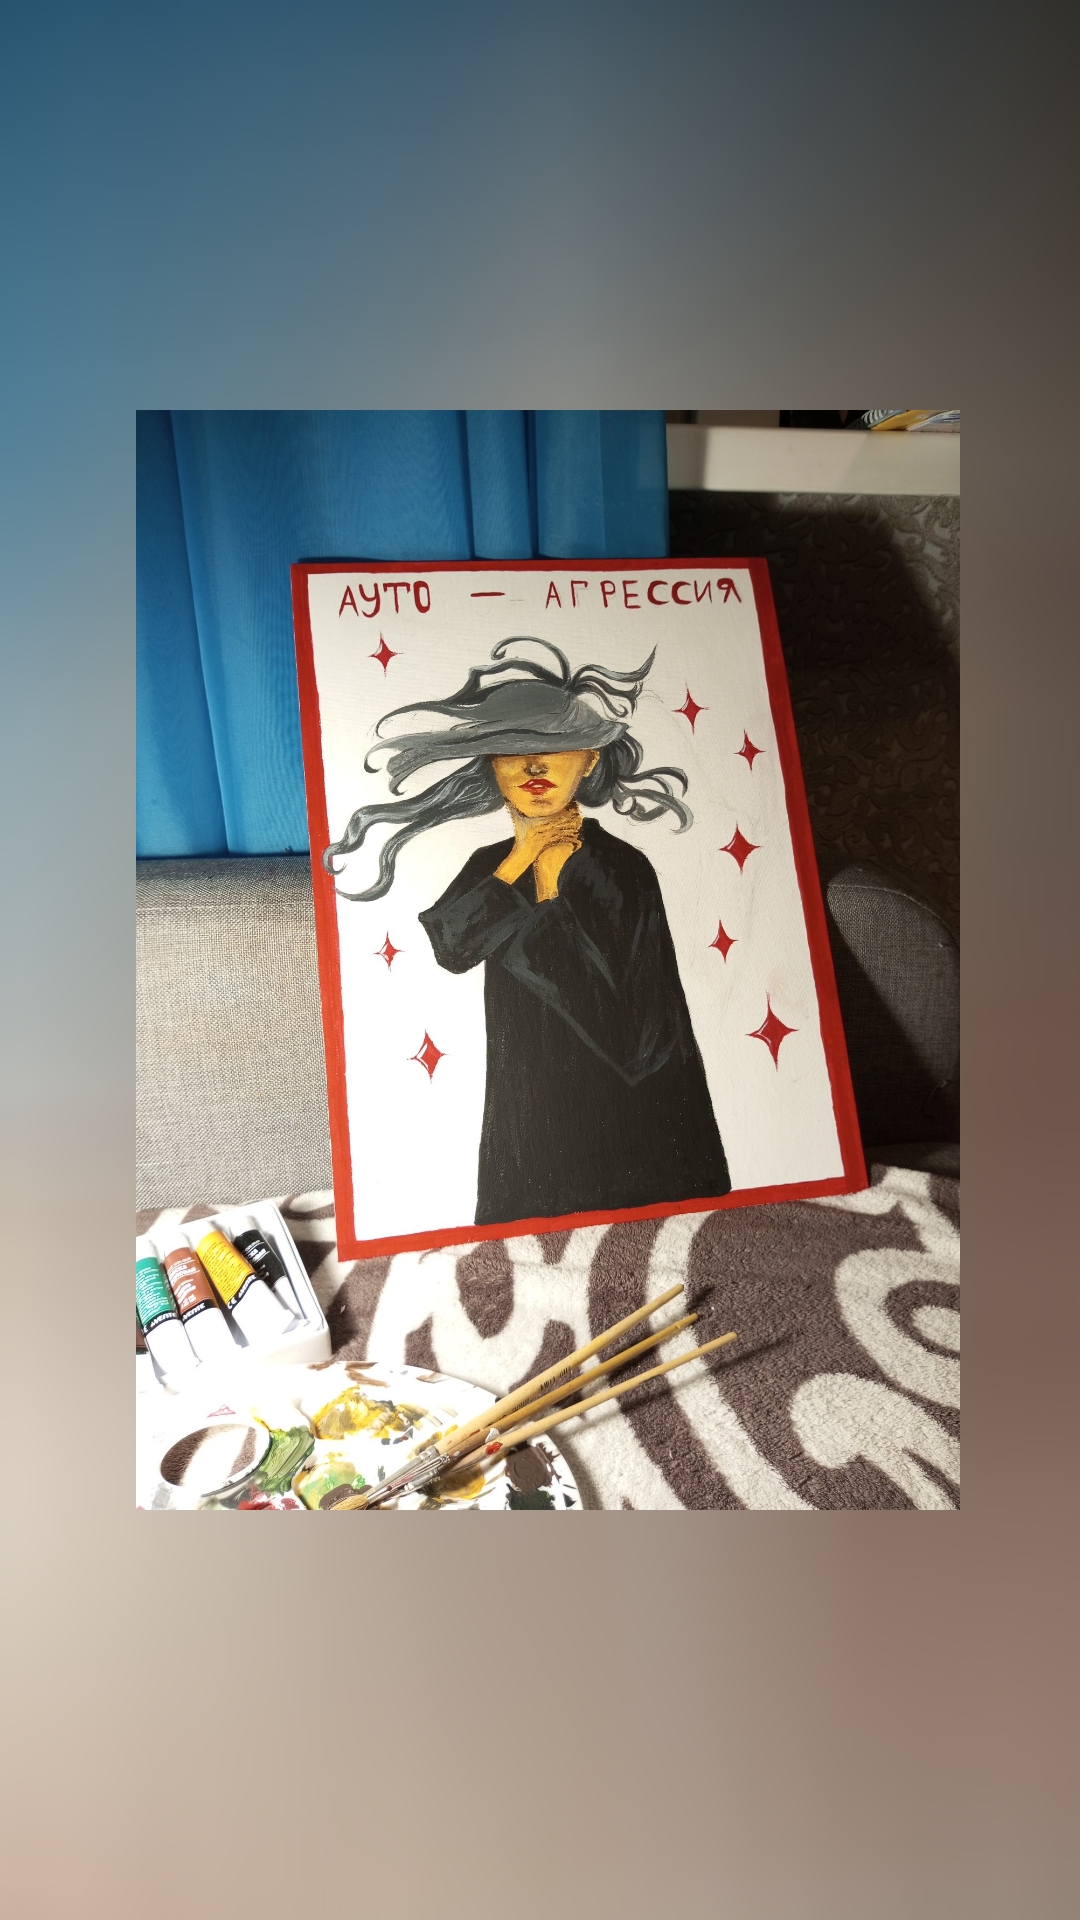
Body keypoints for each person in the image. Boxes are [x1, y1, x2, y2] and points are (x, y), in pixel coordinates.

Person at [324, 638, 730, 1224]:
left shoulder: (624, 869)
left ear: (590, 760)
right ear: (492, 765)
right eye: (512, 750)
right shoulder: (490, 865)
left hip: (635, 1128)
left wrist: (548, 885)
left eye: (555, 748)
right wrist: (521, 860)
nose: (534, 767)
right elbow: (452, 948)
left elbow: (633, 1031)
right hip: (529, 1125)